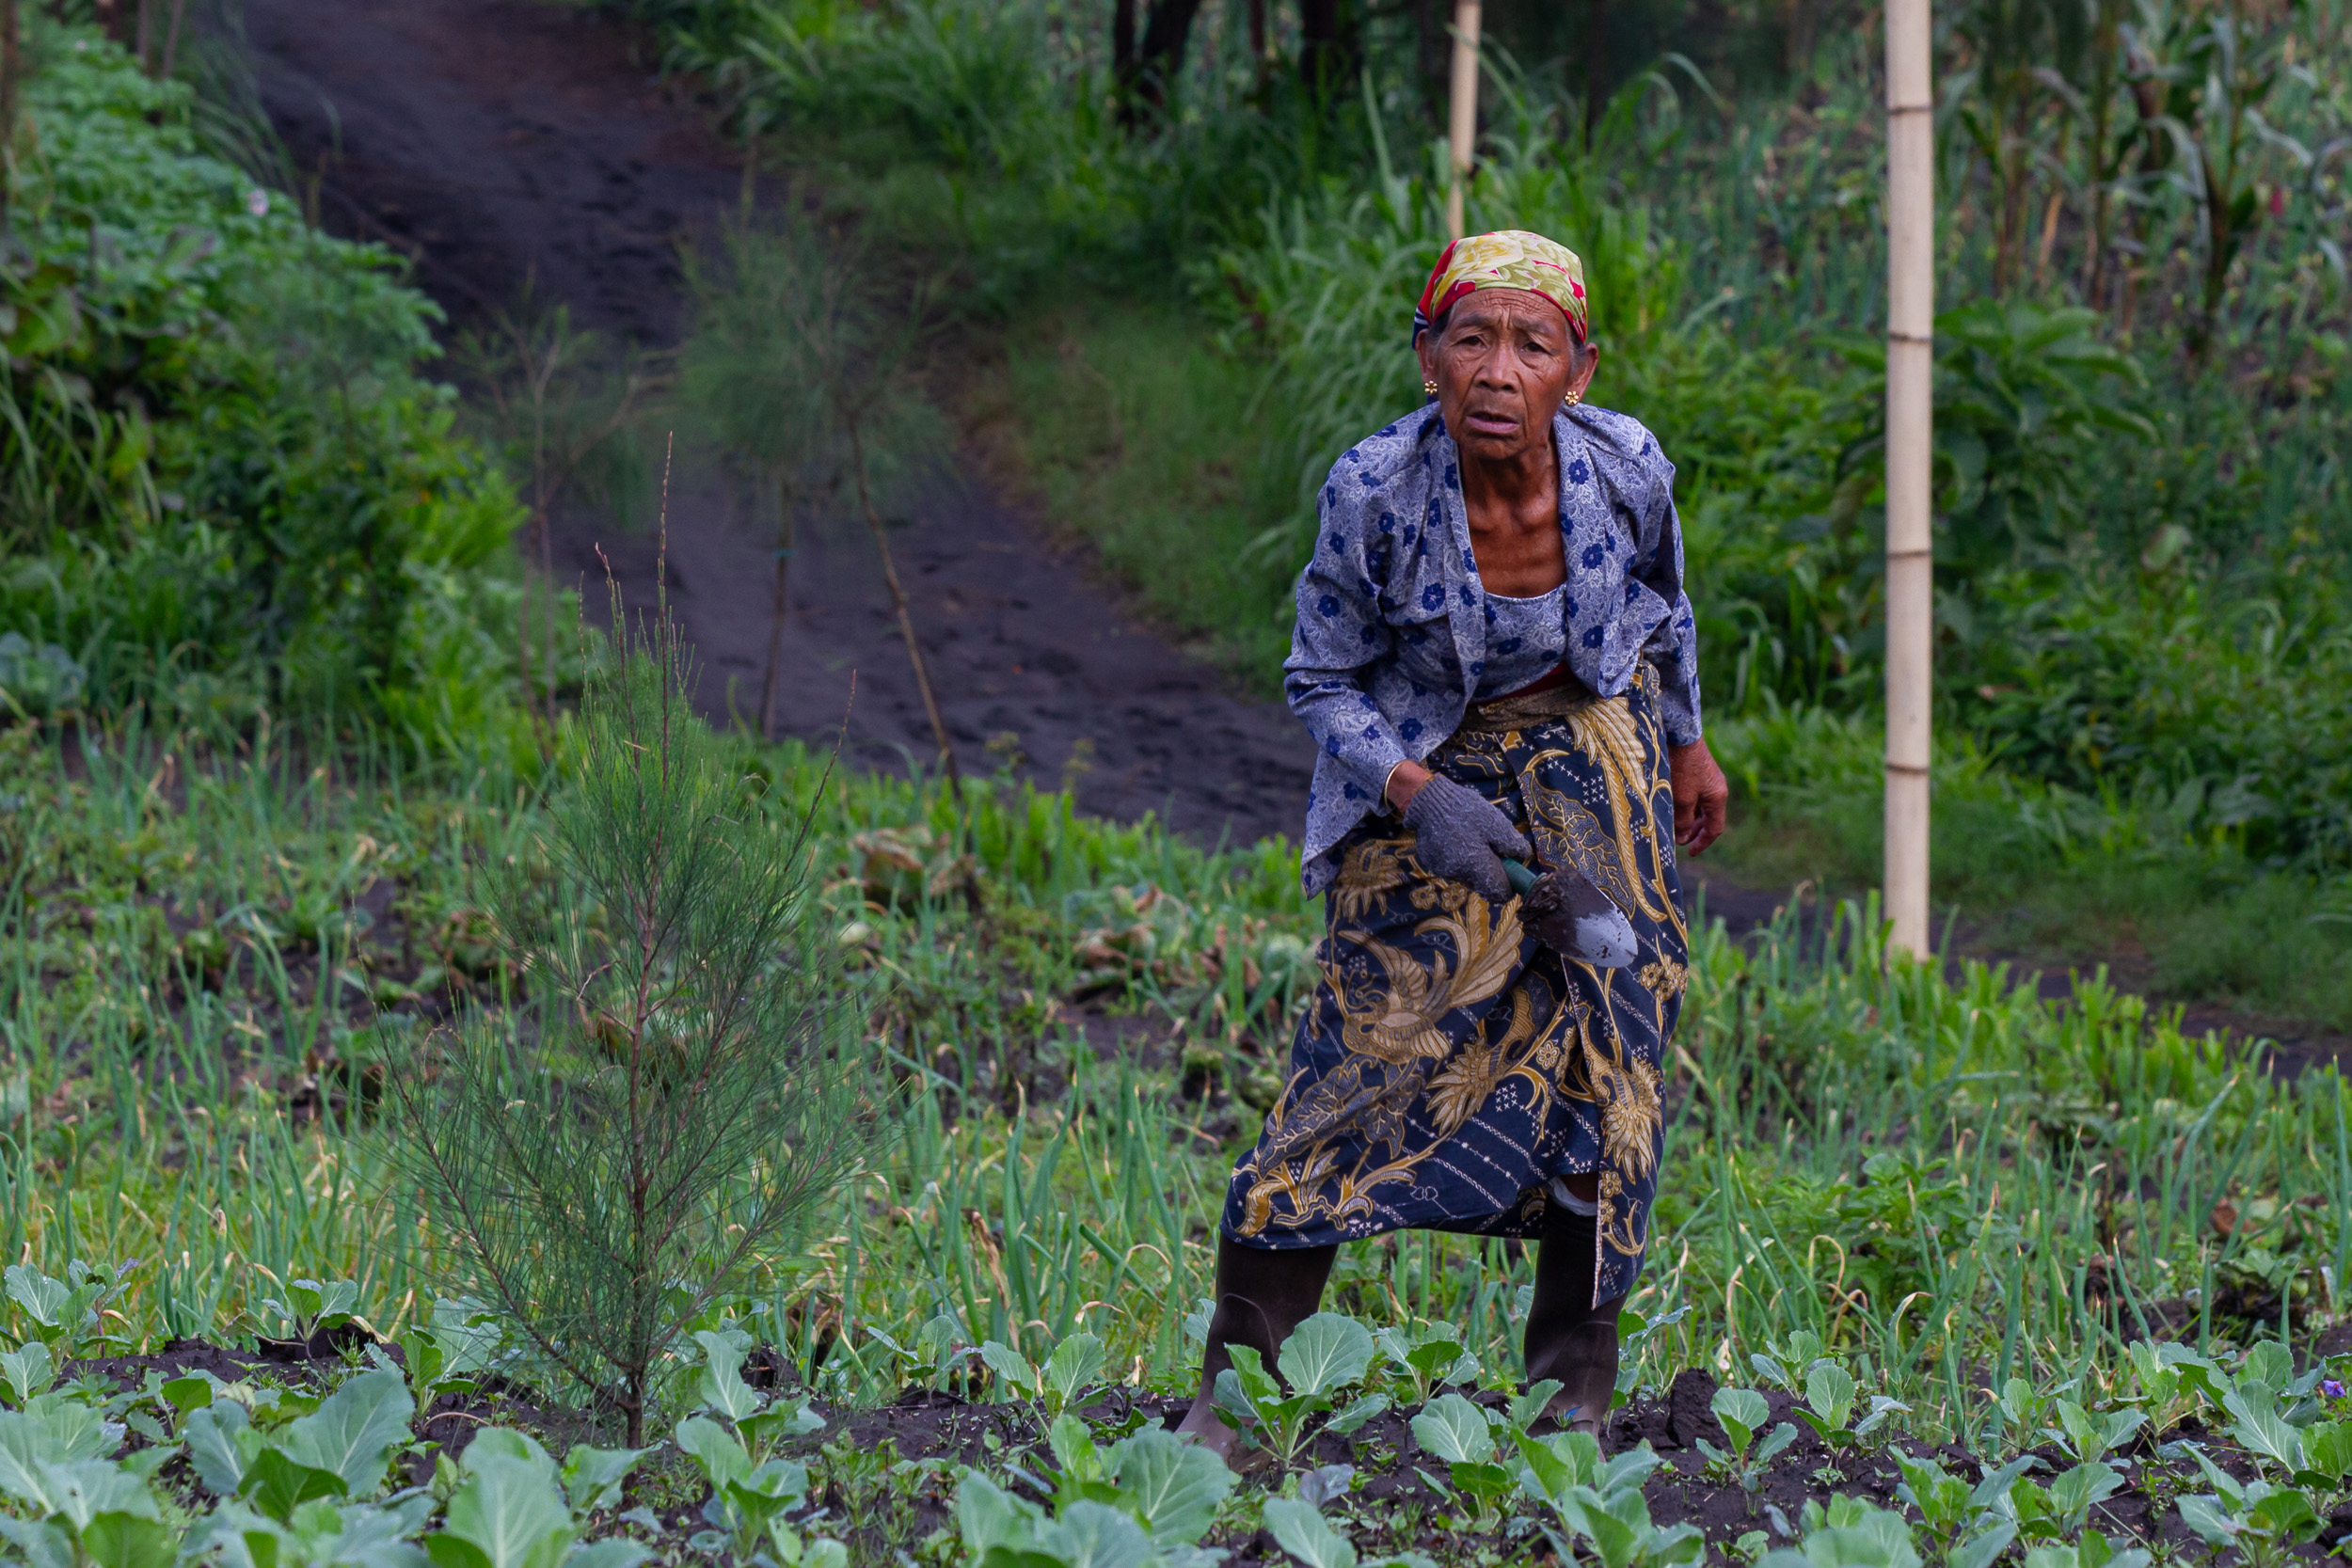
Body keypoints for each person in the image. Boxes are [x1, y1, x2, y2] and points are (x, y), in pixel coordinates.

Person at [1176, 230, 1729, 1460]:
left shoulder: (1629, 465)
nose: (1497, 368)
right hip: (1427, 744)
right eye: (1469, 337)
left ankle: (1569, 1397)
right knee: (1371, 1040)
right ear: (1428, 358)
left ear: (1576, 371)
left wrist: (1686, 741)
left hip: (1594, 733)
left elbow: (1662, 607)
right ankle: (1238, 1394)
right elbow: (1320, 680)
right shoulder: (1374, 488)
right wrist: (1420, 793)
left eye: (1531, 343)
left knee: (1619, 1023)